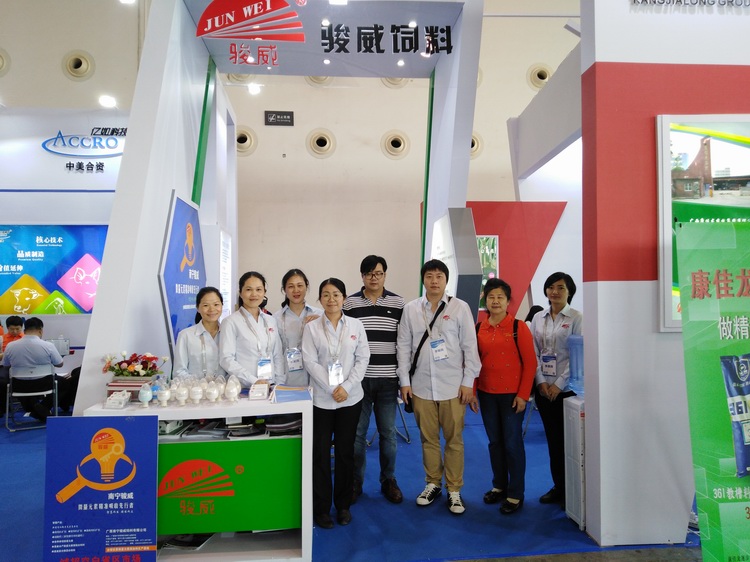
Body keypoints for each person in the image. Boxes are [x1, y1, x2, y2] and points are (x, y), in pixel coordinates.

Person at [397, 259, 481, 515]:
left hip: (452, 387)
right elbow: (403, 347)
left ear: (446, 280)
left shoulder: (460, 308)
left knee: (454, 440)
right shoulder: (411, 309)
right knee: (428, 439)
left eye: (439, 276)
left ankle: (454, 489)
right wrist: (404, 382)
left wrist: (468, 383)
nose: (434, 281)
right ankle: (432, 483)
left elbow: (470, 347)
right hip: (421, 386)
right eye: (429, 276)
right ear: (423, 279)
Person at [301, 278, 370, 529]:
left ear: (344, 298)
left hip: (350, 399)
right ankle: (321, 508)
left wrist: (346, 387)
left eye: (336, 294)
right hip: (321, 400)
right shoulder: (312, 328)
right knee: (319, 454)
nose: (331, 299)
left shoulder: (356, 325)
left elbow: (363, 358)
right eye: (326, 295)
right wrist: (332, 388)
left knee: (345, 453)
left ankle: (343, 505)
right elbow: (309, 361)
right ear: (320, 299)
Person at [471, 278, 538, 515]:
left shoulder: (519, 327)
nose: (495, 301)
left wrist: (523, 395)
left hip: (512, 396)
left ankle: (515, 493)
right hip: (487, 394)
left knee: (512, 443)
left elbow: (530, 364)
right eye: (491, 297)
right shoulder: (478, 328)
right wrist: (473, 391)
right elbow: (474, 363)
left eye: (500, 297)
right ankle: (499, 485)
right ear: (485, 301)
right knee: (495, 443)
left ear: (508, 301)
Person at [343, 255, 405, 504]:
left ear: (385, 275)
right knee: (357, 434)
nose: (374, 277)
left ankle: (388, 480)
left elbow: (404, 341)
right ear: (362, 276)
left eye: (378, 273)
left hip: (388, 379)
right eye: (369, 273)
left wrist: (404, 378)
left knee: (388, 433)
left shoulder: (398, 303)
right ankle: (355, 482)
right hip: (359, 381)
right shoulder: (350, 303)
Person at [528, 272, 583, 505]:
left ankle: (574, 491)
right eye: (551, 287)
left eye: (561, 287)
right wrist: (541, 381)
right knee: (553, 440)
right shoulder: (538, 318)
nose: (555, 292)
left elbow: (577, 355)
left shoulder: (577, 318)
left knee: (570, 442)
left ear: (569, 291)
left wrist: (558, 385)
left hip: (567, 390)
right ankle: (559, 487)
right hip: (543, 389)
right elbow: (533, 351)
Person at [2, 317, 77, 420]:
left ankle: (37, 409)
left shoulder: (10, 346)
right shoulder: (48, 346)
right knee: (64, 383)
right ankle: (43, 407)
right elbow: (60, 364)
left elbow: (6, 365)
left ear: (24, 330)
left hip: (19, 385)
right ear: (41, 330)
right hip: (44, 384)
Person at [219, 271, 284, 388]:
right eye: (249, 289)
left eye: (258, 289)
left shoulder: (270, 320)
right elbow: (226, 359)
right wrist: (253, 380)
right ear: (240, 293)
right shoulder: (230, 322)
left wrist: (279, 383)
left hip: (271, 386)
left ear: (264, 292)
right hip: (244, 387)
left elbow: (277, 354)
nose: (254, 294)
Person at [273, 269, 322, 387]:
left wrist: (321, 324)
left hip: (316, 379)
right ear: (284, 290)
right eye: (291, 286)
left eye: (300, 285)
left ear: (306, 287)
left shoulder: (320, 315)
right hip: (288, 378)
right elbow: (276, 353)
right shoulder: (276, 318)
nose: (296, 290)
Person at [173, 287, 226, 378]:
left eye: (216, 304)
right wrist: (200, 384)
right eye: (206, 305)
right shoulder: (186, 335)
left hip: (226, 386)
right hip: (194, 386)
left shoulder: (228, 333)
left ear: (222, 306)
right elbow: (179, 372)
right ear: (198, 308)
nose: (211, 309)